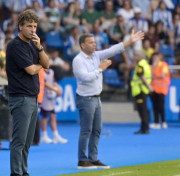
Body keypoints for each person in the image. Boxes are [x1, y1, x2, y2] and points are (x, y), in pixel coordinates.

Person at [72, 30, 144, 169]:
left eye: (94, 42)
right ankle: (82, 160)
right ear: (82, 45)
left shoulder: (96, 56)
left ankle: (93, 159)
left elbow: (113, 50)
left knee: (97, 129)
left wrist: (129, 41)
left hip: (97, 98)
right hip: (85, 99)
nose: (94, 45)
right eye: (91, 42)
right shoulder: (78, 60)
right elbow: (85, 78)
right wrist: (100, 69)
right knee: (86, 130)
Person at [6, 9, 49, 176]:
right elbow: (32, 70)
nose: (33, 30)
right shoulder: (15, 45)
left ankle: (24, 171)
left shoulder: (33, 44)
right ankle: (16, 173)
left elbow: (47, 63)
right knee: (19, 140)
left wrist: (39, 48)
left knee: (27, 141)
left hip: (31, 98)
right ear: (20, 27)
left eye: (35, 26)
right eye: (29, 26)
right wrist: (40, 64)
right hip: (20, 98)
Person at [40, 68, 67, 144]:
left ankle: (56, 135)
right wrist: (54, 89)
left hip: (51, 98)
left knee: (53, 116)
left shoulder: (51, 71)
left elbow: (54, 82)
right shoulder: (41, 72)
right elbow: (43, 83)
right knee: (44, 116)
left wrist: (57, 89)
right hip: (43, 97)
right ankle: (44, 136)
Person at [131, 50, 152, 134]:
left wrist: (149, 86)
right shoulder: (145, 64)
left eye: (136, 55)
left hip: (140, 90)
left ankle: (145, 128)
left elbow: (142, 76)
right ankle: (144, 128)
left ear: (139, 56)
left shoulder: (140, 65)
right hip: (143, 90)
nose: (134, 57)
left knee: (142, 110)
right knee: (143, 110)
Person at [149, 52, 170, 129]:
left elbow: (162, 75)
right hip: (153, 89)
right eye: (154, 58)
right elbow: (149, 76)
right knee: (155, 106)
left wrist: (154, 77)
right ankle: (156, 122)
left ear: (159, 58)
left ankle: (164, 122)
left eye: (156, 57)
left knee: (161, 106)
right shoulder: (152, 67)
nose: (155, 59)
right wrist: (153, 68)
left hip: (161, 89)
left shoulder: (164, 65)